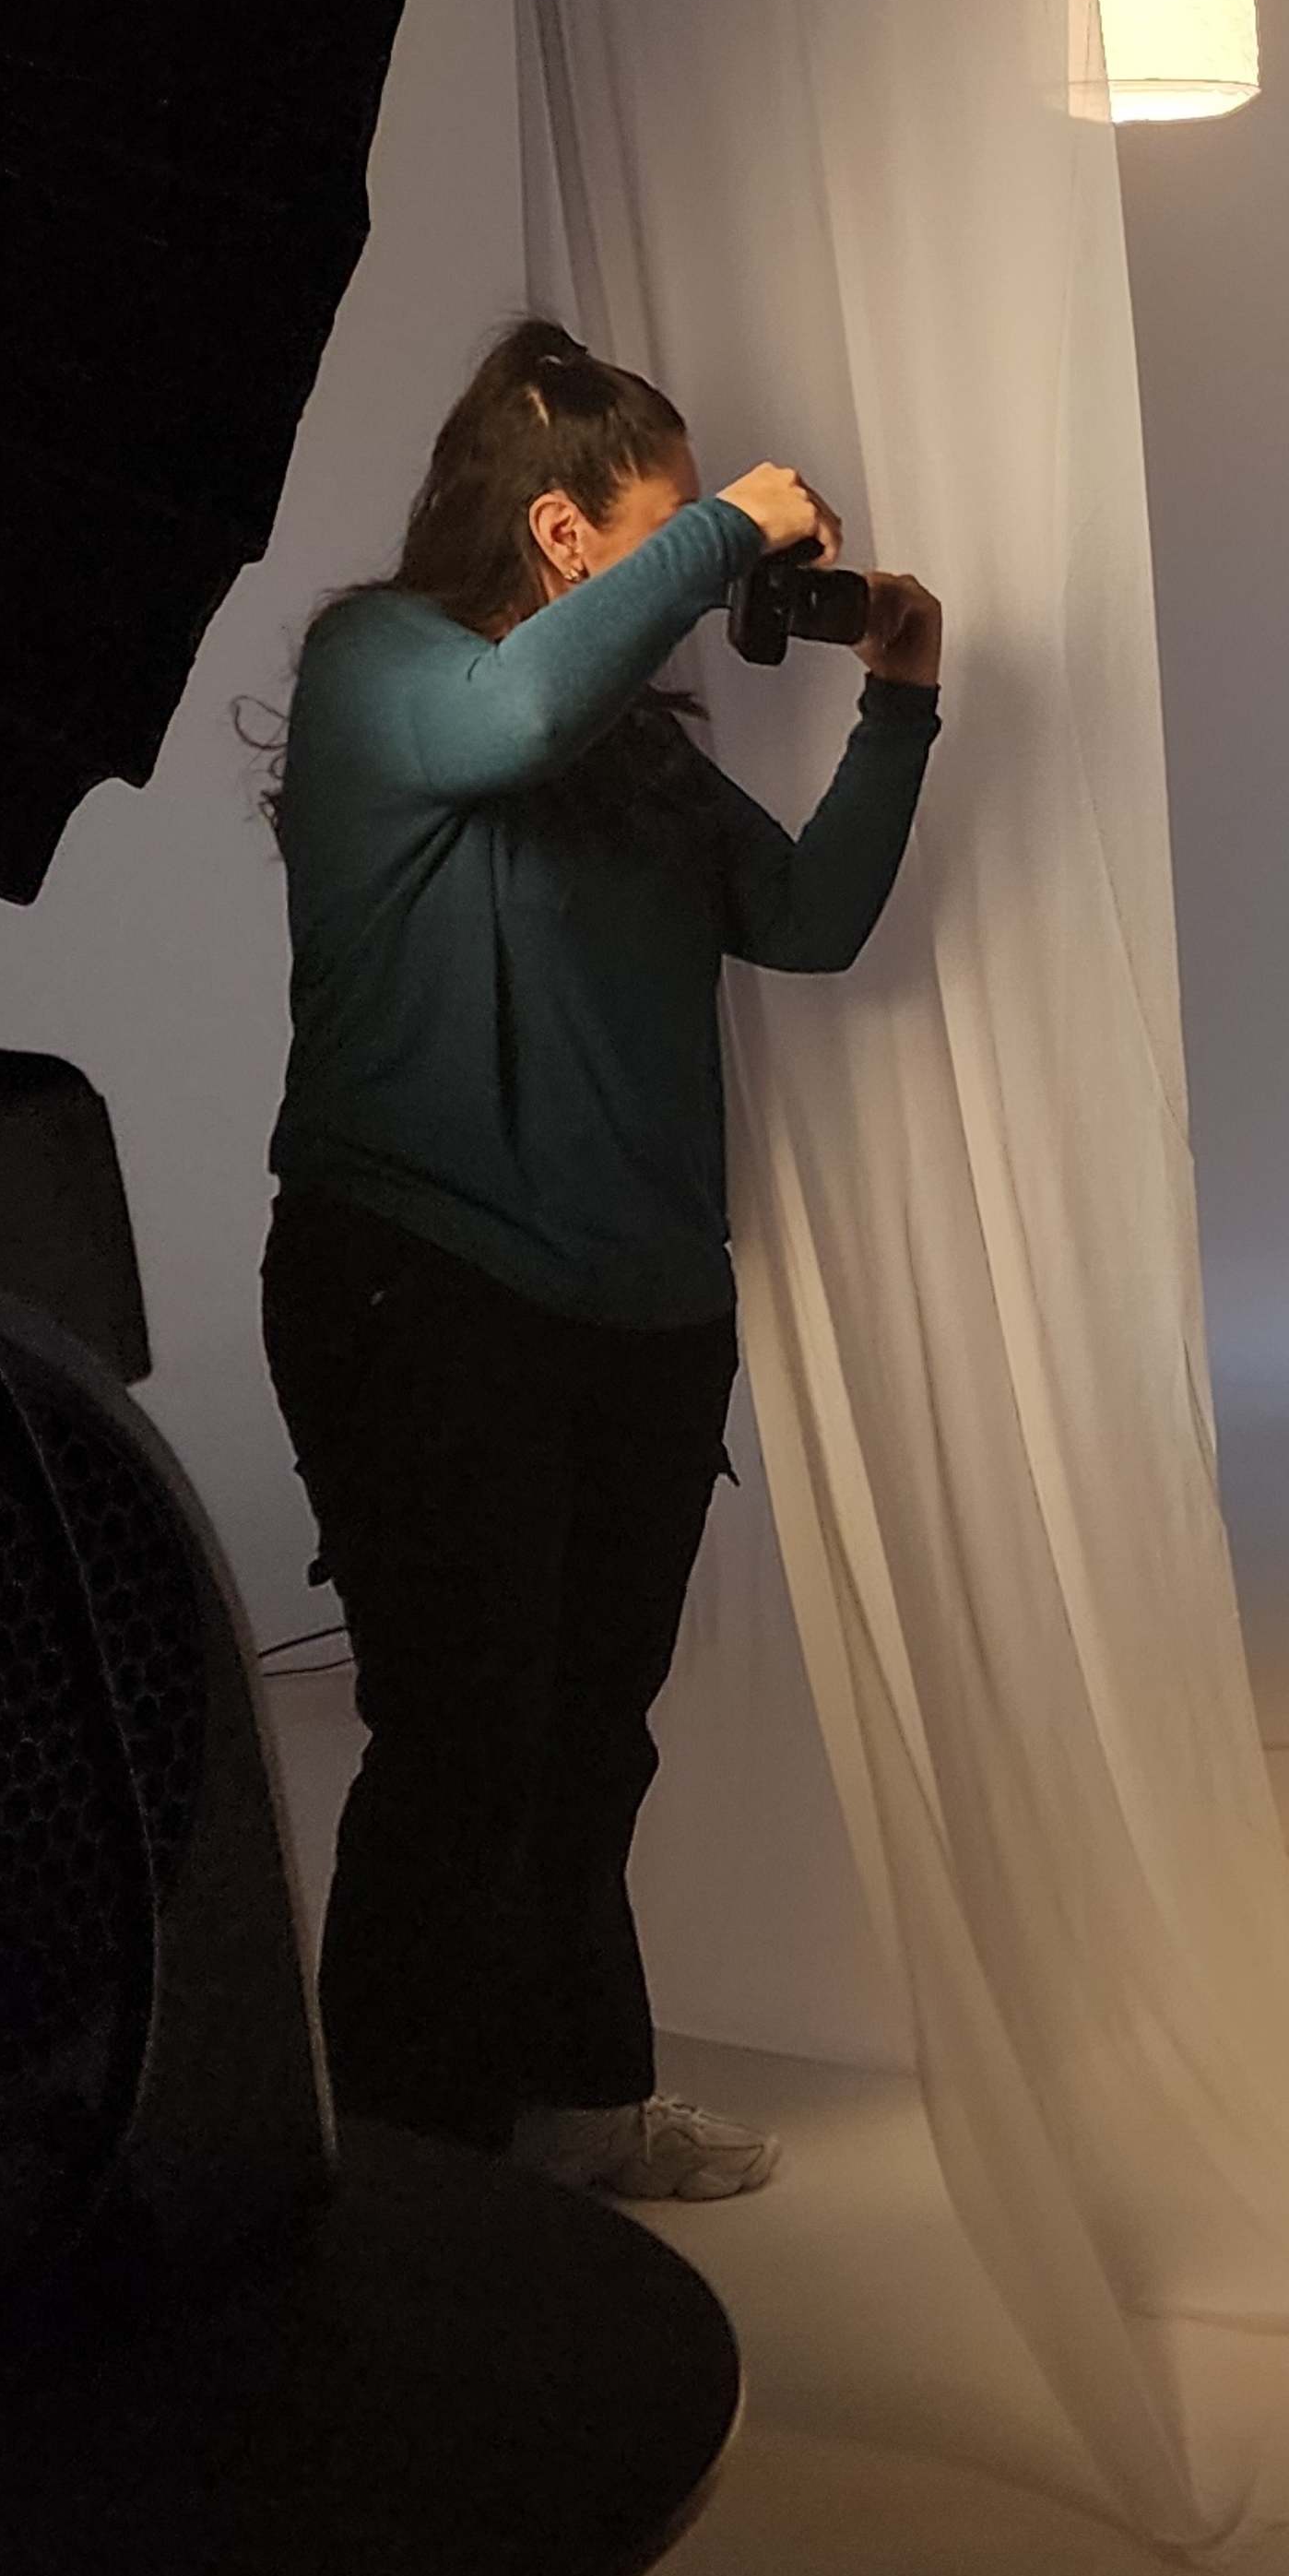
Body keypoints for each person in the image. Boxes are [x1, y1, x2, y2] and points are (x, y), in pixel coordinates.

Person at [259, 321, 944, 2195]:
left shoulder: (634, 758)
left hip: (643, 1319)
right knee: (461, 1747)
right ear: (572, 541)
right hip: (422, 1287)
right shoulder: (378, 669)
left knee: (585, 1747)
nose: (701, 569)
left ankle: (580, 2112)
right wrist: (727, 534)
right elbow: (506, 723)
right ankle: (409, 2183)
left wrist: (900, 697)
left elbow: (804, 921)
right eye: (659, 532)